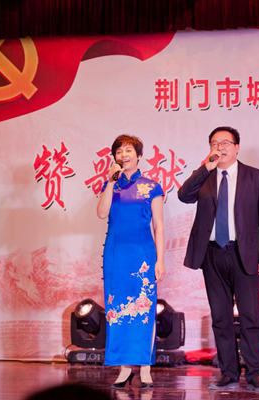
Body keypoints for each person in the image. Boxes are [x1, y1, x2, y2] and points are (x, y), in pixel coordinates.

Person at [178, 126, 259, 392]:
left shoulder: (254, 176)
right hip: (211, 253)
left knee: (249, 316)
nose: (219, 148)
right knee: (220, 317)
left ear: (237, 147)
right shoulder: (205, 175)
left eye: (225, 143)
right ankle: (229, 372)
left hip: (244, 253)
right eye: (214, 143)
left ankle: (255, 373)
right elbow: (184, 196)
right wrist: (205, 168)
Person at [97, 134, 165, 389]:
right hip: (116, 254)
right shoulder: (111, 185)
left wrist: (160, 260)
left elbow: (158, 226)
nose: (123, 155)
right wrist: (109, 182)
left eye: (128, 150)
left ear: (139, 156)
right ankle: (124, 368)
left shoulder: (152, 186)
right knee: (116, 310)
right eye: (119, 151)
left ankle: (145, 367)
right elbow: (102, 213)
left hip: (142, 256)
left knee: (143, 310)